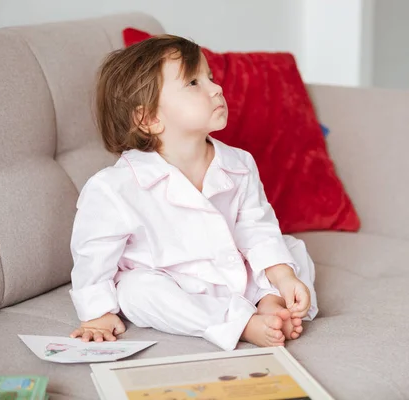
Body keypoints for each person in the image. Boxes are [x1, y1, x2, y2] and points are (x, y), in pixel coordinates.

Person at [68, 35, 318, 351]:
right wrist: (98, 314)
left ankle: (271, 303)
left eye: (210, 78)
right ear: (149, 119)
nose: (216, 88)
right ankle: (239, 323)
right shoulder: (114, 187)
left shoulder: (238, 163)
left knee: (292, 250)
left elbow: (257, 228)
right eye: (193, 83)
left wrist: (283, 279)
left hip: (238, 273)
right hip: (178, 285)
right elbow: (94, 255)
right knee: (135, 291)